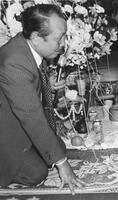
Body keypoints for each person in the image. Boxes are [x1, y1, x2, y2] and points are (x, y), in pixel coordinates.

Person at [0, 4, 86, 193]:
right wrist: (62, 164)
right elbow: (31, 116)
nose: (64, 44)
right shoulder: (14, 62)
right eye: (59, 38)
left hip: (15, 121)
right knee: (37, 173)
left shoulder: (30, 48)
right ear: (37, 38)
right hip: (5, 131)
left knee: (58, 148)